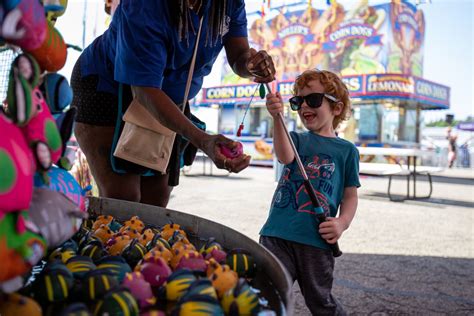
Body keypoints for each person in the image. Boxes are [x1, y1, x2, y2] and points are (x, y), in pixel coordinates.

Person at [70, 0, 276, 207]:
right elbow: (144, 90)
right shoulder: (143, 5)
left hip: (169, 98)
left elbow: (239, 55)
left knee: (156, 199)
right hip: (106, 86)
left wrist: (250, 65)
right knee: (123, 198)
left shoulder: (228, 3)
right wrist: (203, 140)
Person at [259, 69, 360, 315]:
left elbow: (350, 196)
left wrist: (342, 223)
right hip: (276, 234)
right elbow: (284, 156)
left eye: (313, 99)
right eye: (298, 101)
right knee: (267, 294)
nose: (304, 106)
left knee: (320, 302)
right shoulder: (296, 139)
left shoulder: (347, 151)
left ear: (336, 108)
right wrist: (276, 117)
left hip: (316, 240)